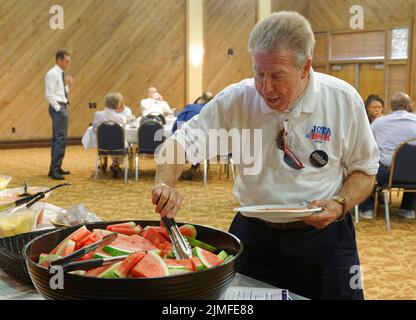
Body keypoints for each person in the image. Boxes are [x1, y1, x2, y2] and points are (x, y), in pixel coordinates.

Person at [151, 11, 380, 300]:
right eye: (259, 73)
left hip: (326, 236)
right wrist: (165, 184)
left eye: (277, 76)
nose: (265, 87)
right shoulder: (237, 99)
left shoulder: (341, 99)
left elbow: (365, 171)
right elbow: (177, 145)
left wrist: (339, 203)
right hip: (254, 234)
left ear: (305, 67)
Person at [359, 92, 416, 219]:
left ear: (391, 106)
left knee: (366, 164)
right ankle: (408, 209)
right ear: (408, 106)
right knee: (412, 161)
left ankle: (367, 209)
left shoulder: (379, 123)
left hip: (386, 175)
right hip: (414, 176)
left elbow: (366, 147)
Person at [45, 50, 73, 180]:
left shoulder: (59, 74)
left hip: (61, 106)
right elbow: (49, 94)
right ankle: (54, 169)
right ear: (59, 60)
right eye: (67, 61)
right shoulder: (52, 73)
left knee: (60, 138)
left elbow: (60, 93)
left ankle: (56, 166)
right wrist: (58, 109)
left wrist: (68, 86)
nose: (69, 63)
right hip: (58, 108)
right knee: (60, 139)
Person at [172, 92, 214, 180]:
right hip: (206, 145)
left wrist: (174, 133)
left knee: (181, 142)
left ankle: (176, 169)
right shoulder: (213, 111)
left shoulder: (190, 107)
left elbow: (178, 124)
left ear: (201, 99)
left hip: (187, 141)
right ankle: (193, 167)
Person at [93, 92, 127, 178]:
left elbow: (94, 130)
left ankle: (113, 164)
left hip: (102, 145)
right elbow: (123, 132)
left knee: (116, 142)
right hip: (117, 145)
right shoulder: (119, 117)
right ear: (118, 104)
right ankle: (115, 164)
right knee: (124, 143)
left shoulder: (97, 114)